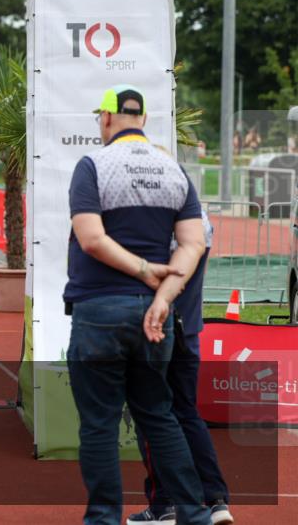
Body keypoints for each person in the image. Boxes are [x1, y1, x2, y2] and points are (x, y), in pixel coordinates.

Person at [64, 85, 210, 525]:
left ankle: (104, 519)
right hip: (153, 316)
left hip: (99, 311)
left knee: (100, 423)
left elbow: (91, 239)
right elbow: (193, 243)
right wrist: (162, 296)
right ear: (142, 119)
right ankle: (194, 514)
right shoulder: (173, 170)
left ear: (108, 118)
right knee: (159, 416)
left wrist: (144, 269)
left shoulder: (93, 165)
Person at [127, 209, 232, 525]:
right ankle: (215, 500)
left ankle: (163, 504)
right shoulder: (199, 219)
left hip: (157, 329)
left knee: (151, 414)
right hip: (190, 330)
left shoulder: (154, 221)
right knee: (187, 413)